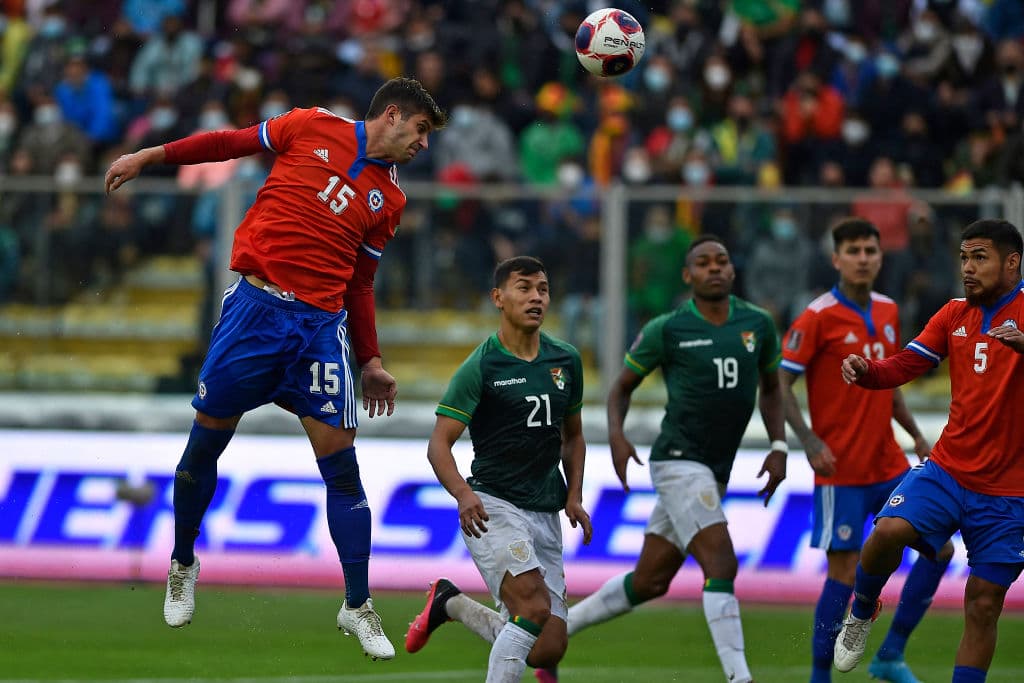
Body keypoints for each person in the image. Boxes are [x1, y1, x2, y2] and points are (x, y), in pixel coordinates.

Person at [103, 77, 446, 660]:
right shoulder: (311, 125)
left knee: (343, 470)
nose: (423, 146)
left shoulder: (389, 201)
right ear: (393, 115)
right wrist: (150, 156)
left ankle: (357, 605)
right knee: (203, 449)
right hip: (255, 313)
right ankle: (183, 562)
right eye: (420, 131)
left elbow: (361, 284)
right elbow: (228, 143)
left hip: (320, 330)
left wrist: (371, 360)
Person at [539, 234, 789, 683]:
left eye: (722, 261)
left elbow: (772, 388)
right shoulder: (668, 329)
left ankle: (555, 637)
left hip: (715, 470)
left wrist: (778, 445)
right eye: (703, 263)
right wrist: (616, 436)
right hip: (677, 461)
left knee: (652, 580)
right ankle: (740, 678)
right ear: (687, 275)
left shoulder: (759, 324)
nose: (714, 268)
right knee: (721, 563)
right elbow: (620, 388)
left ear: (733, 270)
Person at [835, 219, 1024, 683]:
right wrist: (868, 371)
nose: (968, 268)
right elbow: (907, 363)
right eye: (964, 257)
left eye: (980, 257)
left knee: (982, 604)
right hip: (948, 470)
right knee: (887, 531)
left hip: (1010, 494)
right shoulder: (954, 313)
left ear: (1012, 262)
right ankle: (861, 611)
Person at [779, 217, 954, 683]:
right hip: (840, 471)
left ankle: (891, 652)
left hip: (889, 464)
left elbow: (890, 381)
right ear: (836, 259)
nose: (862, 258)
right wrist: (809, 441)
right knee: (843, 573)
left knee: (939, 551)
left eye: (870, 251)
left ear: (880, 257)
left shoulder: (890, 311)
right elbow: (779, 385)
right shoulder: (816, 316)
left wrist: (915, 435)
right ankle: (821, 677)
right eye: (852, 251)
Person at [403, 256, 593, 683]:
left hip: (544, 505)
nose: (536, 297)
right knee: (532, 608)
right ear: (498, 298)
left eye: (542, 289)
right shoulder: (482, 366)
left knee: (547, 647)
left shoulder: (567, 360)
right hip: (493, 503)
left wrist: (574, 494)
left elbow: (573, 437)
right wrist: (464, 495)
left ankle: (449, 603)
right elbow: (439, 445)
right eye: (524, 287)